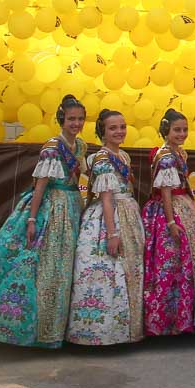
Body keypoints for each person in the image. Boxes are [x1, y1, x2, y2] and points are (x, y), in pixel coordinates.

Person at [0, 95, 87, 348]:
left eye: (80, 119)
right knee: (44, 266)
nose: (76, 123)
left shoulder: (80, 147)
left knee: (65, 268)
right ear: (61, 119)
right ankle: (32, 328)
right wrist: (33, 218)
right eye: (71, 119)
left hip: (72, 207)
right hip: (51, 208)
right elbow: (40, 186)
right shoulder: (52, 147)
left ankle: (60, 326)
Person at [67, 109, 146, 346]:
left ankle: (125, 330)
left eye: (122, 126)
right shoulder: (101, 159)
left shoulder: (123, 156)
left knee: (128, 273)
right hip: (107, 219)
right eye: (113, 128)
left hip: (128, 214)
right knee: (105, 273)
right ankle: (99, 333)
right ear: (103, 131)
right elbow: (106, 198)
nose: (119, 131)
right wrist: (112, 233)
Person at [140, 109, 195, 336]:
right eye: (177, 130)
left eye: (185, 130)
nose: (182, 134)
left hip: (182, 205)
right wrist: (170, 222)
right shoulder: (166, 157)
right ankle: (164, 321)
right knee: (168, 266)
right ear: (166, 130)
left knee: (183, 265)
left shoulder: (179, 153)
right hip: (168, 212)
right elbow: (165, 191)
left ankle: (182, 318)